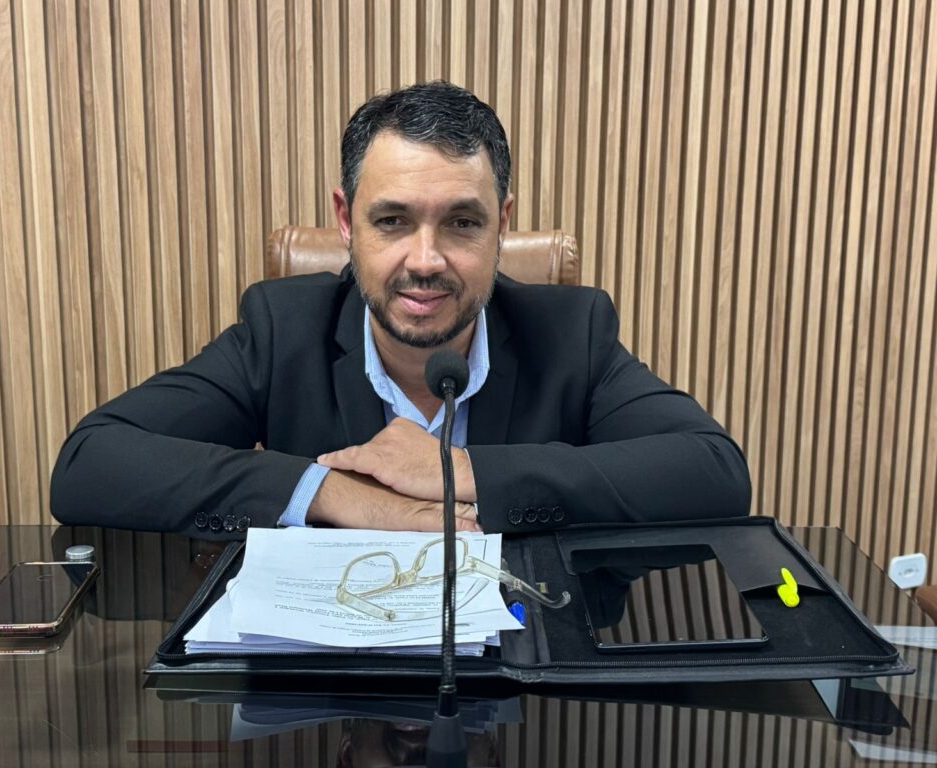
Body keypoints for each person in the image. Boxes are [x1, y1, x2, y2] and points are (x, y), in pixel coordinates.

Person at [50, 81, 751, 538]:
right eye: (391, 221)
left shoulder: (571, 334)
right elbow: (90, 463)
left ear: (502, 225)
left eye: (462, 223)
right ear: (345, 221)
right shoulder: (282, 330)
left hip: (521, 678)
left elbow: (712, 472)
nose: (425, 259)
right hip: (328, 684)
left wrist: (461, 471)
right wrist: (334, 493)